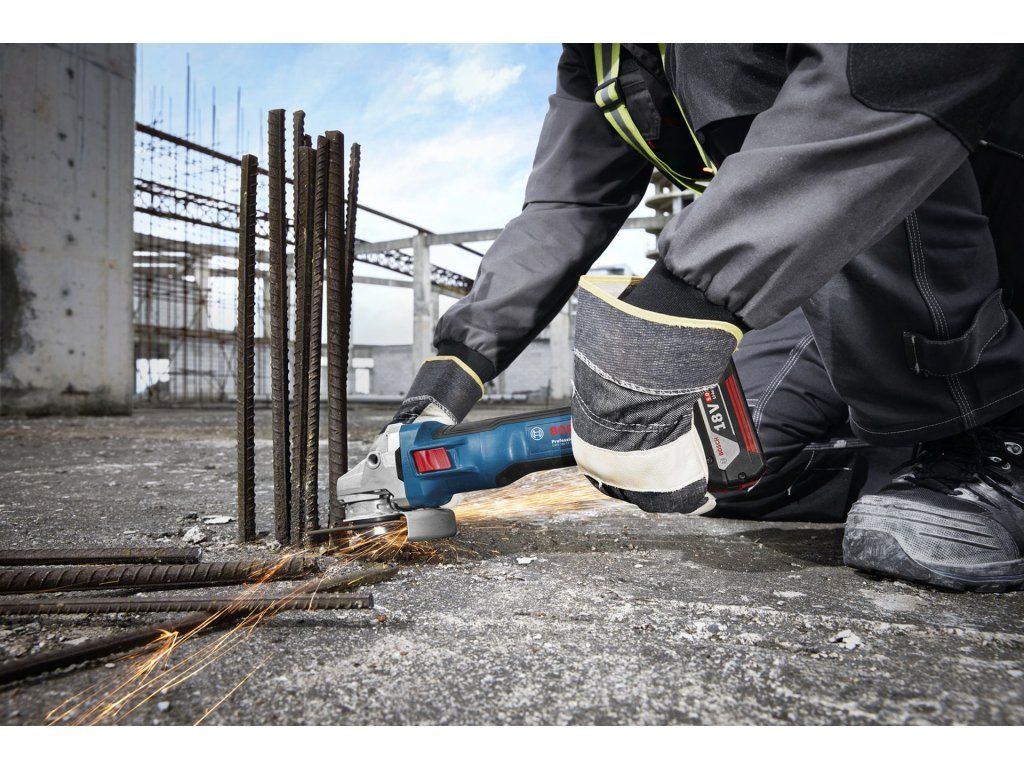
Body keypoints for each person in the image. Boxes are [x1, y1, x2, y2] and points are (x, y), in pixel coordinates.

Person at [389, 44, 1024, 592]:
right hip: (835, 267)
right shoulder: (602, 54)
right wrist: (453, 370)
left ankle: (991, 438)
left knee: (877, 153)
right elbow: (563, 206)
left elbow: (883, 84)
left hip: (971, 207)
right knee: (727, 462)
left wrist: (682, 303)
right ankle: (915, 454)